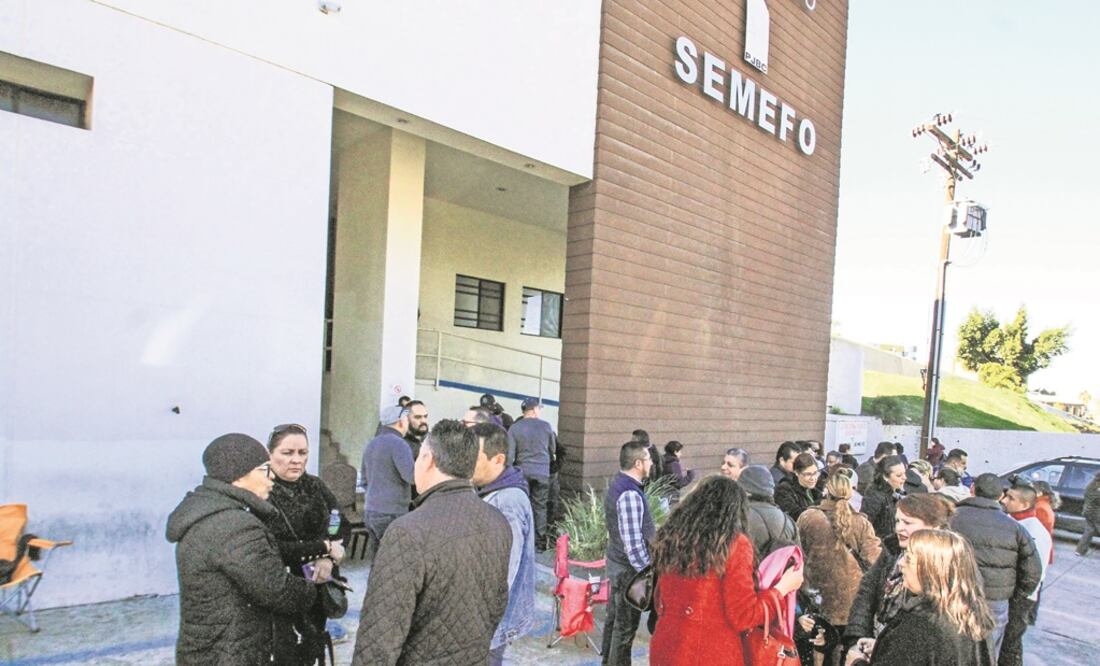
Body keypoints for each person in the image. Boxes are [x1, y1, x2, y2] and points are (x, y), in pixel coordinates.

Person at [351, 420, 511, 665]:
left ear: (428, 460)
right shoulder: (497, 521)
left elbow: (380, 637)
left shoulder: (408, 532)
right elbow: (498, 604)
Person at [167, 434, 316, 665]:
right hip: (231, 652)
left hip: (210, 649)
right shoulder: (235, 525)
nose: (271, 479)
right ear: (237, 477)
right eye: (263, 470)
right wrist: (311, 589)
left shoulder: (207, 512)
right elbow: (276, 590)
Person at [650, 476, 805, 665]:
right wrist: (782, 589)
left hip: (666, 646)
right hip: (710, 653)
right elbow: (744, 616)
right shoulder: (734, 545)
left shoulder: (671, 539)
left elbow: (659, 601)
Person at [263, 424, 350, 663]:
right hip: (282, 592)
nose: (296, 460)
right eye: (287, 453)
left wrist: (328, 556)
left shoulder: (316, 486)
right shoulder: (262, 491)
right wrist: (322, 549)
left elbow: (337, 520)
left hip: (317, 589)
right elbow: (270, 547)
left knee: (312, 648)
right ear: (270, 454)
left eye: (302, 453)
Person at [853, 529, 995, 665]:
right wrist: (884, 648)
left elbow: (919, 647)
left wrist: (855, 662)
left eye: (908, 559)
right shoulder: (972, 615)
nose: (901, 563)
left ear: (931, 571)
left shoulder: (919, 625)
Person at [950, 473, 1042, 660]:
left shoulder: (950, 518)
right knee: (987, 655)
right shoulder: (1016, 528)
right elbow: (1033, 572)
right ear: (1000, 496)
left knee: (951, 653)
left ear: (972, 489)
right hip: (994, 602)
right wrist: (1012, 595)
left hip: (953, 596)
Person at [845, 493, 956, 644]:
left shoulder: (947, 564)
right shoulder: (892, 550)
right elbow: (867, 590)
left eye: (908, 523)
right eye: (897, 521)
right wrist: (857, 636)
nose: (899, 528)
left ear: (933, 527)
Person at [796, 468, 881, 666]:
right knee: (845, 654)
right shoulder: (861, 522)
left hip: (816, 600)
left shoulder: (808, 518)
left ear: (827, 490)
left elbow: (798, 555)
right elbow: (875, 560)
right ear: (850, 492)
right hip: (851, 602)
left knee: (819, 652)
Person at [471, 423, 536, 665]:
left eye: (474, 458)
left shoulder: (508, 501)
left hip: (490, 624)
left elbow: (503, 571)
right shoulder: (489, 490)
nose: (466, 463)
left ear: (498, 459)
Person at [601, 440, 655, 665]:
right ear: (638, 463)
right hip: (629, 573)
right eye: (649, 459)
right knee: (623, 631)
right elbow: (633, 545)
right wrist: (648, 573)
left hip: (618, 566)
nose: (652, 463)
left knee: (614, 624)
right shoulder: (630, 494)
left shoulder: (619, 484)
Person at [998, 476, 1053, 666]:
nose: (1004, 501)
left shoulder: (1034, 531)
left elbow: (1033, 572)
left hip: (1020, 597)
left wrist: (1019, 595)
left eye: (1010, 498)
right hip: (1008, 592)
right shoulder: (1009, 521)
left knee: (1010, 643)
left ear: (1024, 504)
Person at [360, 405, 415, 560]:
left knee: (377, 562)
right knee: (394, 562)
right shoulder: (399, 444)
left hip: (371, 511)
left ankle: (373, 585)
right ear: (400, 422)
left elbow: (364, 480)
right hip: (392, 513)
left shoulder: (371, 444)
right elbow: (411, 477)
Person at [507, 397, 558, 549]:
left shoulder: (515, 428)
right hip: (542, 473)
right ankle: (540, 541)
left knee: (522, 505)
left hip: (522, 473)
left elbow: (510, 456)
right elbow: (552, 450)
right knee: (540, 506)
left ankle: (522, 539)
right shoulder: (546, 426)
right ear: (534, 410)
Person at [739, 464, 799, 558]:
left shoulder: (739, 518)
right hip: (780, 572)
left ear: (745, 490)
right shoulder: (789, 521)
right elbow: (798, 559)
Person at [860, 455, 906, 539]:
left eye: (904, 473)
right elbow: (864, 526)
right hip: (880, 545)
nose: (904, 478)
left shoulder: (897, 493)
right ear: (885, 477)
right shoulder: (874, 496)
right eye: (899, 475)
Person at [775, 452, 823, 521]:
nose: (813, 478)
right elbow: (795, 514)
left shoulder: (816, 489)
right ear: (797, 473)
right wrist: (820, 505)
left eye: (815, 473)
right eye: (808, 474)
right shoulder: (784, 490)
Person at [1077, 470, 1100, 557]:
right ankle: (1080, 550)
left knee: (1089, 531)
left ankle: (1080, 551)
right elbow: (1097, 498)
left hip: (1089, 511)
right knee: (1089, 531)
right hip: (1096, 513)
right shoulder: (1096, 486)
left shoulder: (1092, 484)